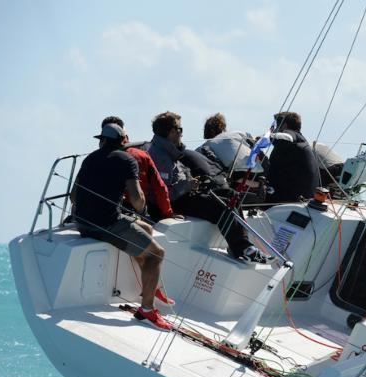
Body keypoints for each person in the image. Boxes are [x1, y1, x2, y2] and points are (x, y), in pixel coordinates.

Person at [70, 123, 173, 330]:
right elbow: (137, 200)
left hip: (81, 222)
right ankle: (146, 311)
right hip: (106, 224)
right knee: (157, 254)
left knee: (145, 229)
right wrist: (141, 205)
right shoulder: (127, 159)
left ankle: (149, 286)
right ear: (123, 142)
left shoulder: (90, 158)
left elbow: (74, 196)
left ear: (103, 140)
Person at [144, 111, 261, 261]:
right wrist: (187, 185)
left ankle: (243, 245)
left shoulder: (168, 151)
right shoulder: (159, 156)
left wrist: (190, 183)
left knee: (230, 195)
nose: (181, 134)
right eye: (180, 130)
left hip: (182, 196)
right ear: (172, 132)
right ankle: (242, 249)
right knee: (220, 206)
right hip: (173, 203)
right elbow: (163, 193)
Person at [99, 116, 176, 222]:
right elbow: (160, 187)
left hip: (98, 214)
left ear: (103, 138)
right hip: (133, 212)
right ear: (125, 135)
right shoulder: (141, 155)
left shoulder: (94, 159)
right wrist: (168, 214)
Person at [262, 111, 319, 204]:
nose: (274, 128)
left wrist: (264, 138)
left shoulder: (291, 134)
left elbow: (287, 137)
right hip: (301, 198)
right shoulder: (301, 141)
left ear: (284, 125)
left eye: (276, 125)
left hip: (288, 198)